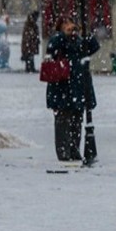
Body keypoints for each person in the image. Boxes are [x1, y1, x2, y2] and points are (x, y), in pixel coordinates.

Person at [45, 17, 100, 161]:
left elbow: (94, 46)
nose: (70, 27)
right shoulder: (57, 40)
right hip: (62, 86)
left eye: (72, 24)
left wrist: (85, 32)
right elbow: (52, 48)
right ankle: (64, 151)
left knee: (77, 120)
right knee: (62, 120)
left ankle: (74, 150)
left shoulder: (79, 41)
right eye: (66, 24)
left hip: (78, 86)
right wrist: (64, 35)